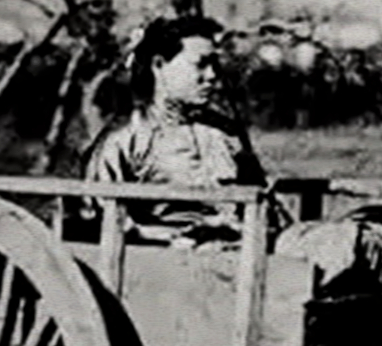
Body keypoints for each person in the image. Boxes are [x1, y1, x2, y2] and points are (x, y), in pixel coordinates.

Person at [84, 14, 270, 242]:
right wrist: (163, 236)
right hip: (162, 255)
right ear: (159, 65)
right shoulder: (125, 138)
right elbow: (96, 216)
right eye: (200, 64)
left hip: (237, 249)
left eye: (214, 64)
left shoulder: (225, 132)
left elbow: (262, 201)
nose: (212, 75)